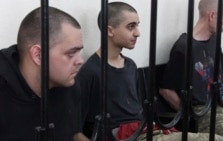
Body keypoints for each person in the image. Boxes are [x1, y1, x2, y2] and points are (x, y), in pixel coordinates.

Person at [0, 7, 89, 141]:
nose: (80, 61)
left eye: (79, 52)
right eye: (71, 53)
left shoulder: (69, 84)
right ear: (38, 55)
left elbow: (73, 133)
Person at [159, 0, 223, 136]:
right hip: (204, 112)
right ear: (212, 15)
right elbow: (166, 90)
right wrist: (191, 115)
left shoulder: (214, 42)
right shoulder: (184, 47)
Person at [77, 2, 144, 140]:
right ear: (110, 31)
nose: (137, 33)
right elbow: (75, 128)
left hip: (142, 130)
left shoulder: (131, 66)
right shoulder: (91, 71)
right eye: (131, 26)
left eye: (137, 25)